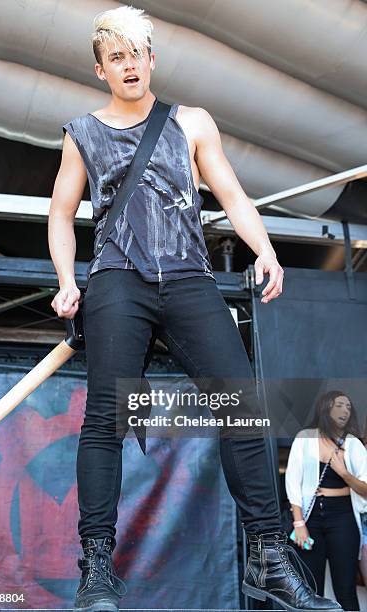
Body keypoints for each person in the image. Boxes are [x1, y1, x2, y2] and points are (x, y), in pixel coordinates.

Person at [48, 6, 341, 612]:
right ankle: (97, 572)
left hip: (187, 276)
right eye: (118, 56)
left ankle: (267, 558)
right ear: (100, 67)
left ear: (152, 58)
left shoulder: (191, 122)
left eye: (138, 53)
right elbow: (59, 216)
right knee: (105, 417)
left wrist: (265, 250)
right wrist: (65, 280)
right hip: (117, 279)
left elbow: (231, 192)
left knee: (241, 405)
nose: (130, 65)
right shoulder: (80, 133)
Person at [285, 391, 367, 611]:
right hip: (310, 519)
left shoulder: (353, 444)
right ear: (325, 408)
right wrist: (299, 523)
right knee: (310, 590)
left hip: (343, 518)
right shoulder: (305, 438)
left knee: (345, 589)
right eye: (339, 405)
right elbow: (292, 480)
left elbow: (366, 489)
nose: (345, 410)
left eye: (348, 407)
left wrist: (344, 473)